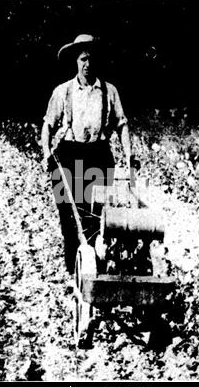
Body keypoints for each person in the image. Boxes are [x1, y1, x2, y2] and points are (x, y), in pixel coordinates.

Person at [41, 34, 133, 273]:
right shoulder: (63, 92)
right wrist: (45, 153)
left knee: (97, 214)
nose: (87, 64)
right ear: (76, 61)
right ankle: (75, 269)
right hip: (69, 156)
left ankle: (94, 267)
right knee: (70, 214)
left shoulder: (109, 91)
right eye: (83, 59)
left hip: (99, 155)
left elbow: (122, 124)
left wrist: (128, 155)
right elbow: (48, 125)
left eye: (91, 59)